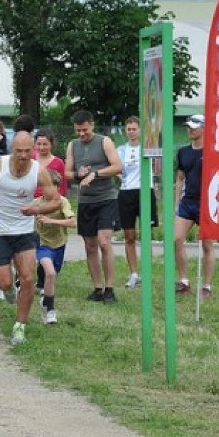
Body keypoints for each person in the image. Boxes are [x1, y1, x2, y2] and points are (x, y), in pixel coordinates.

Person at [0, 131, 60, 346]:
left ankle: (20, 326)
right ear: (12, 148)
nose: (22, 155)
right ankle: (8, 290)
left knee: (29, 278)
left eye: (27, 151)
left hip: (23, 231)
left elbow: (55, 201)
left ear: (33, 150)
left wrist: (35, 209)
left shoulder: (39, 171)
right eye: (18, 151)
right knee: (4, 282)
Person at [64, 110, 123, 303]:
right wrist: (79, 174)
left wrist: (95, 174)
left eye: (85, 130)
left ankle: (110, 288)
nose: (82, 134)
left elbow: (117, 167)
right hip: (86, 201)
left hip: (106, 198)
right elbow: (67, 174)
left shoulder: (104, 141)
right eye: (78, 131)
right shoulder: (72, 146)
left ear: (92, 125)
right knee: (90, 246)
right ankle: (97, 288)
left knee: (104, 243)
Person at [175, 114, 214, 297]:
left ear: (204, 128)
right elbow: (180, 178)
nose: (190, 130)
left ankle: (206, 286)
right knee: (177, 239)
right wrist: (176, 204)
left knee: (207, 245)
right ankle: (183, 280)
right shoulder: (183, 152)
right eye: (188, 127)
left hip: (206, 204)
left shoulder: (213, 152)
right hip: (187, 202)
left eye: (194, 126)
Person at [118, 116, 158, 288]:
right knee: (129, 236)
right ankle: (134, 273)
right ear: (125, 131)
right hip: (127, 193)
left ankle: (147, 272)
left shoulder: (148, 147)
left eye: (134, 129)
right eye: (129, 129)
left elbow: (158, 169)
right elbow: (117, 169)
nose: (132, 132)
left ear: (140, 130)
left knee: (146, 235)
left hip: (145, 192)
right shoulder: (121, 150)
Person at [34, 170, 77, 325]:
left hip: (59, 244)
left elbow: (73, 222)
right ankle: (50, 310)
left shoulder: (63, 202)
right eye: (46, 186)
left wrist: (51, 221)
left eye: (54, 186)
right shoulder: (37, 203)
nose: (50, 190)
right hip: (42, 244)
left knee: (53, 274)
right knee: (50, 273)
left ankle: (45, 302)